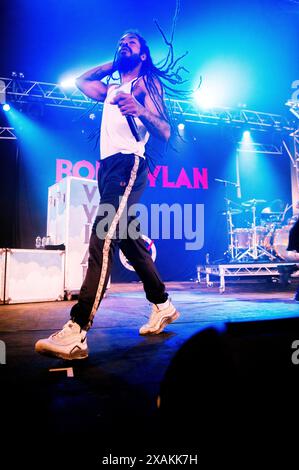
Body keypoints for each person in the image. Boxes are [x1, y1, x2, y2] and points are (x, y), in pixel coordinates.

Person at [35, 32, 180, 360]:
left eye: (131, 44)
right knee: (130, 241)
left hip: (129, 164)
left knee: (102, 236)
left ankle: (77, 331)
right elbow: (81, 80)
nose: (123, 44)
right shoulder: (113, 88)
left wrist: (140, 109)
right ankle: (163, 305)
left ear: (143, 55)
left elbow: (166, 130)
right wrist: (114, 63)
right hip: (108, 168)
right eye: (120, 42)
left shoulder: (146, 84)